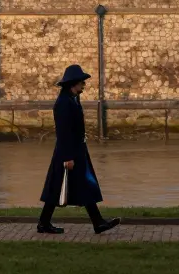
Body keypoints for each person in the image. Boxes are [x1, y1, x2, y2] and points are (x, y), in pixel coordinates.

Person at [37, 64, 120, 235]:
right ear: (74, 83)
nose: (84, 85)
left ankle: (97, 223)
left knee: (84, 185)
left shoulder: (72, 100)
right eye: (82, 82)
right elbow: (64, 132)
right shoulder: (63, 103)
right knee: (58, 187)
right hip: (67, 153)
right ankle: (44, 223)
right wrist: (68, 157)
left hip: (77, 150)